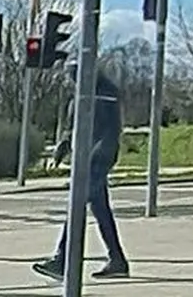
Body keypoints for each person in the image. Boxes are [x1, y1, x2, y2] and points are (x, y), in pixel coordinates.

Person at [34, 68, 129, 280]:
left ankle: (62, 260)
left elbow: (111, 130)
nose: (74, 81)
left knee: (77, 205)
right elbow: (72, 126)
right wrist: (62, 148)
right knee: (100, 210)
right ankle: (117, 259)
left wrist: (98, 153)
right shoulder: (79, 95)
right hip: (85, 158)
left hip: (98, 159)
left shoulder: (106, 94)